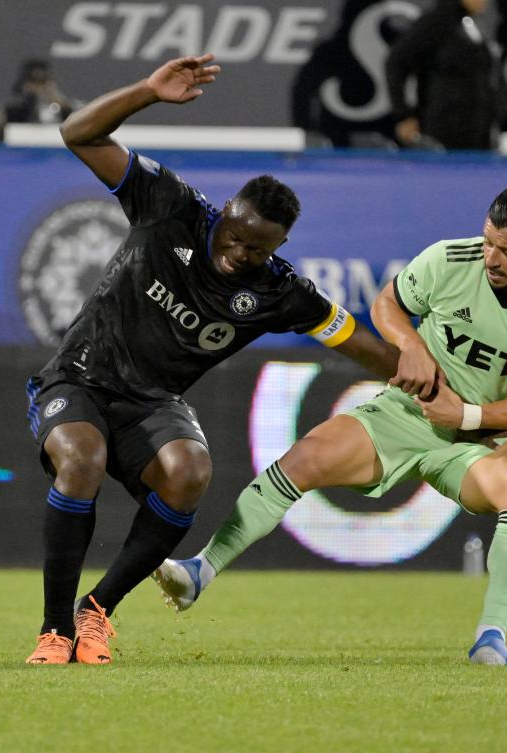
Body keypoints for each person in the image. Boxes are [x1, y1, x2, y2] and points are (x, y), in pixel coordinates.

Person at [24, 54, 400, 665]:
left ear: (278, 247)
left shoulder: (279, 290)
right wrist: (147, 91)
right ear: (225, 209)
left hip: (151, 402)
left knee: (190, 470)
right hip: (79, 378)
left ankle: (97, 614)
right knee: (82, 457)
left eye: (256, 250)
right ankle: (54, 630)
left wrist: (416, 373)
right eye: (234, 235)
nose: (236, 255)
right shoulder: (169, 203)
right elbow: (77, 133)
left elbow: (351, 338)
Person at [156, 185, 507, 666]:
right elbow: (387, 305)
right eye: (489, 242)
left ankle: (491, 637)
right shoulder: (449, 259)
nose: (492, 257)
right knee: (306, 457)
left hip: (480, 438)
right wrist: (412, 345)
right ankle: (200, 571)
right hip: (407, 413)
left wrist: (468, 416)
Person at [385, 0, 507, 150]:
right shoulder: (436, 22)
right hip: (443, 133)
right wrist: (403, 115)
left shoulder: (471, 24)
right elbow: (396, 62)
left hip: (477, 134)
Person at [5, 59, 76, 125]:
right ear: (25, 85)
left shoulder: (61, 106)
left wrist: (65, 108)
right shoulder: (14, 109)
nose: (40, 88)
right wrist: (30, 101)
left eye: (43, 82)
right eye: (35, 82)